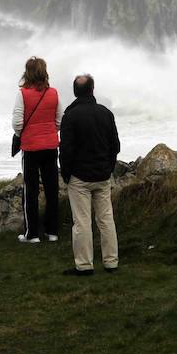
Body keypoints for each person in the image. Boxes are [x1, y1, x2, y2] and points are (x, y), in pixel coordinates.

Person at [59, 74, 119, 276]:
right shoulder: (106, 113)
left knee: (82, 222)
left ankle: (84, 266)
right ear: (92, 90)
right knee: (106, 219)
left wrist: (67, 175)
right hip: (102, 176)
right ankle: (111, 262)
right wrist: (108, 168)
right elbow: (115, 147)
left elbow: (65, 150)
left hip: (79, 178)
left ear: (75, 92)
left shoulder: (70, 116)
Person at [12, 57, 63, 243]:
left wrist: (24, 134)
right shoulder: (54, 93)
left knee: (30, 190)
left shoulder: (22, 94)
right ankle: (52, 232)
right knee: (52, 189)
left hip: (31, 148)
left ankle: (32, 234)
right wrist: (50, 132)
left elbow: (17, 123)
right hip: (51, 146)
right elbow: (59, 120)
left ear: (28, 72)